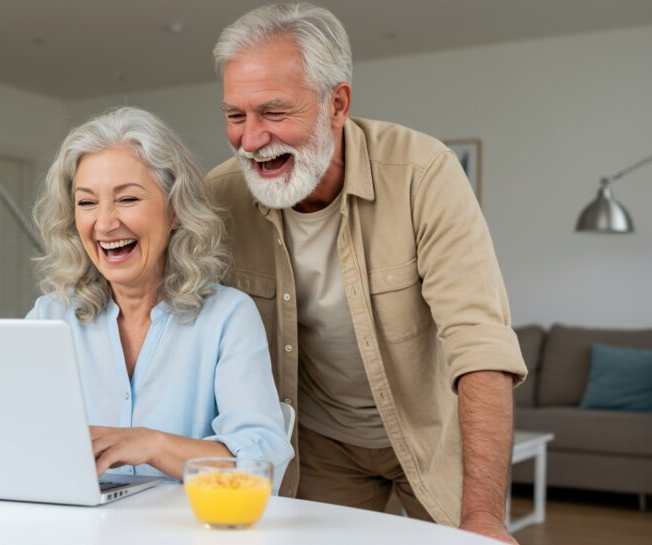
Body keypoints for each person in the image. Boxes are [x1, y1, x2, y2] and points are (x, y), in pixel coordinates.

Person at [207, 4, 528, 543]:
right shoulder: (220, 197)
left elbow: (481, 344)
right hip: (318, 443)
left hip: (430, 432)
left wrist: (484, 519)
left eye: (274, 112)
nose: (252, 139)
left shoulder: (423, 172)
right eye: (235, 116)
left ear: (337, 103)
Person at [28, 106, 294, 484]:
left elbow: (261, 462)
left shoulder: (228, 317)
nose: (104, 223)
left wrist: (149, 444)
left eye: (128, 199)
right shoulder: (49, 318)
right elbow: (9, 437)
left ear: (175, 210)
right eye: (87, 202)